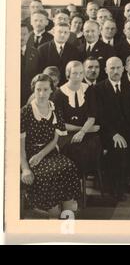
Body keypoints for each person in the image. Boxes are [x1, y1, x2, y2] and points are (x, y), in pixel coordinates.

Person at [20, 74, 81, 218]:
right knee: (49, 174)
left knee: (69, 167)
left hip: (49, 152)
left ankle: (67, 214)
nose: (41, 94)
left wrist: (42, 154)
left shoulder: (54, 110)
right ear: (33, 90)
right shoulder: (25, 112)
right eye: (38, 89)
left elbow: (55, 139)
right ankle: (54, 215)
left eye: (45, 90)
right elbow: (20, 146)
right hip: (30, 155)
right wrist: (25, 169)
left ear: (51, 91)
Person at [95, 57, 130, 200]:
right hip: (108, 132)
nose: (115, 71)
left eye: (118, 68)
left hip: (128, 130)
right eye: (112, 68)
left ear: (123, 69)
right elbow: (101, 117)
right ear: (106, 70)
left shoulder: (129, 87)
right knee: (119, 149)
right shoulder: (99, 89)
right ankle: (116, 186)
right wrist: (114, 134)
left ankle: (128, 179)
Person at [52, 61, 102, 175]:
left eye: (81, 73)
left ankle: (85, 176)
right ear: (68, 74)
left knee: (94, 144)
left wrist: (83, 132)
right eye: (75, 73)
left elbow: (92, 117)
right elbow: (60, 124)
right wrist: (83, 129)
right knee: (76, 149)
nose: (78, 76)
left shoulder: (89, 90)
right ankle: (73, 180)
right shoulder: (59, 94)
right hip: (66, 135)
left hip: (86, 133)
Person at [22, 10, 54, 101]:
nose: (38, 23)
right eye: (35, 20)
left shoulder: (51, 39)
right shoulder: (26, 36)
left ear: (47, 22)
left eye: (41, 20)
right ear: (31, 22)